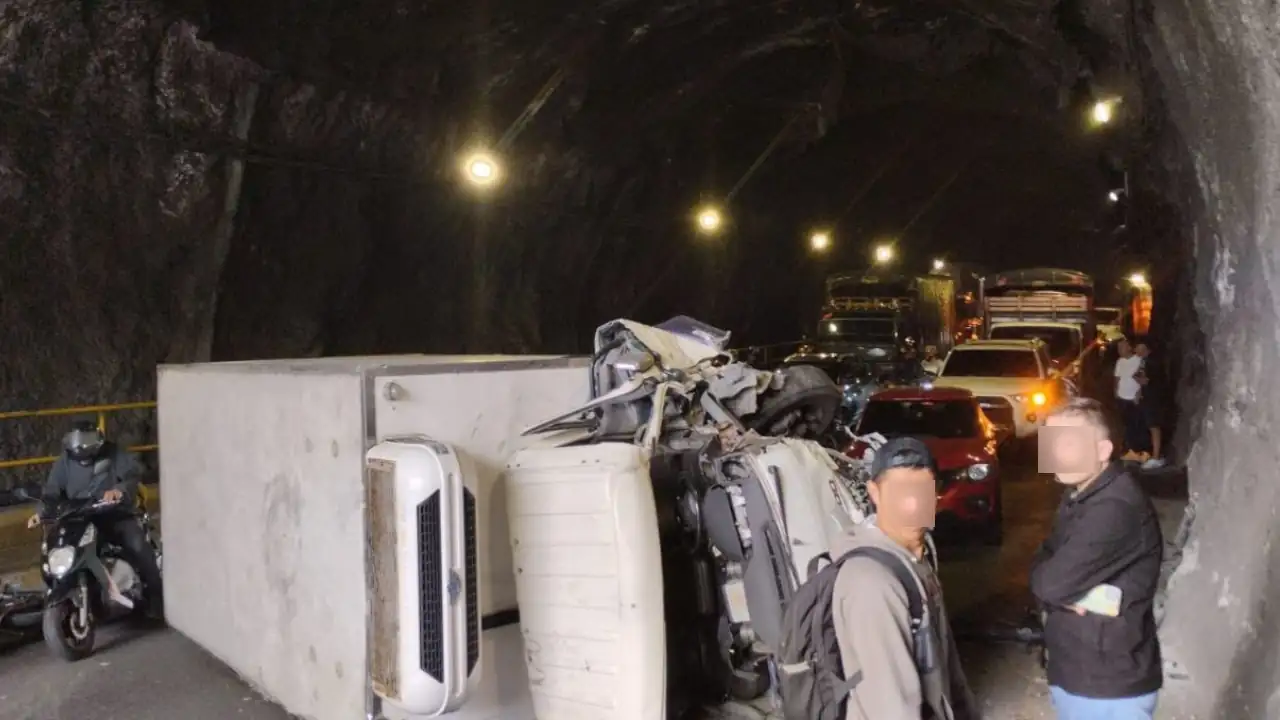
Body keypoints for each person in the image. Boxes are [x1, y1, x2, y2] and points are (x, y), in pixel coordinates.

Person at [1031, 398, 1163, 719]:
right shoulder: (1080, 494)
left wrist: (1058, 588)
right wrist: (1075, 593)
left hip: (1107, 684)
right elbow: (1042, 560)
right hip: (1080, 672)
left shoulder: (1114, 507)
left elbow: (1049, 585)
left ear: (1103, 451)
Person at [830, 437, 979, 719]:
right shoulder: (872, 583)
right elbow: (891, 704)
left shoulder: (915, 555)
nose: (912, 504)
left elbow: (943, 657)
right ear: (874, 492)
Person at [27, 420, 164, 619]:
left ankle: (156, 599)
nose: (82, 446)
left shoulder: (113, 453)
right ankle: (70, 593)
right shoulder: (64, 461)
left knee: (138, 546)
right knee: (59, 550)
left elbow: (132, 474)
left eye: (88, 439)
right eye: (78, 440)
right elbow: (52, 492)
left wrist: (118, 490)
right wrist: (40, 513)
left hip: (114, 515)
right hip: (78, 517)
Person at [1112, 339, 1147, 459]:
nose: (1119, 350)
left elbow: (1143, 378)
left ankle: (1138, 450)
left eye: (1121, 347)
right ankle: (1128, 450)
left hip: (1134, 398)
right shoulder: (1119, 362)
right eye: (1118, 348)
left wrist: (1140, 393)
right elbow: (1116, 378)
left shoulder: (1138, 360)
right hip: (1122, 398)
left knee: (1136, 425)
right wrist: (1116, 391)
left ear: (1128, 348)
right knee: (1125, 425)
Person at [1133, 343, 1166, 469]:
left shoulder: (1153, 362)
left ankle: (1156, 457)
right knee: (1150, 426)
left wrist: (1136, 378)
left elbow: (1147, 380)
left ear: (1145, 348)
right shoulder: (1144, 361)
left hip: (1154, 397)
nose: (1135, 350)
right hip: (1148, 396)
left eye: (1138, 348)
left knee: (1154, 426)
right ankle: (1153, 454)